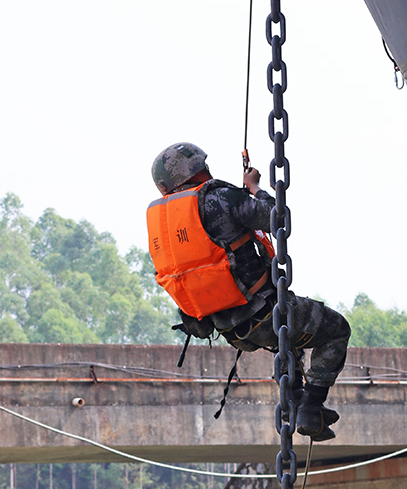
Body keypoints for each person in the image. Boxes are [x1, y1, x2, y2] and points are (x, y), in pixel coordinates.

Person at [147, 141, 350, 440]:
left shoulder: (165, 226)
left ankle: (294, 400)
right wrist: (254, 186)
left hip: (230, 330)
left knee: (291, 341)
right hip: (264, 312)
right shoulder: (219, 198)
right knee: (336, 330)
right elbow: (275, 217)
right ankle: (312, 406)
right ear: (198, 169)